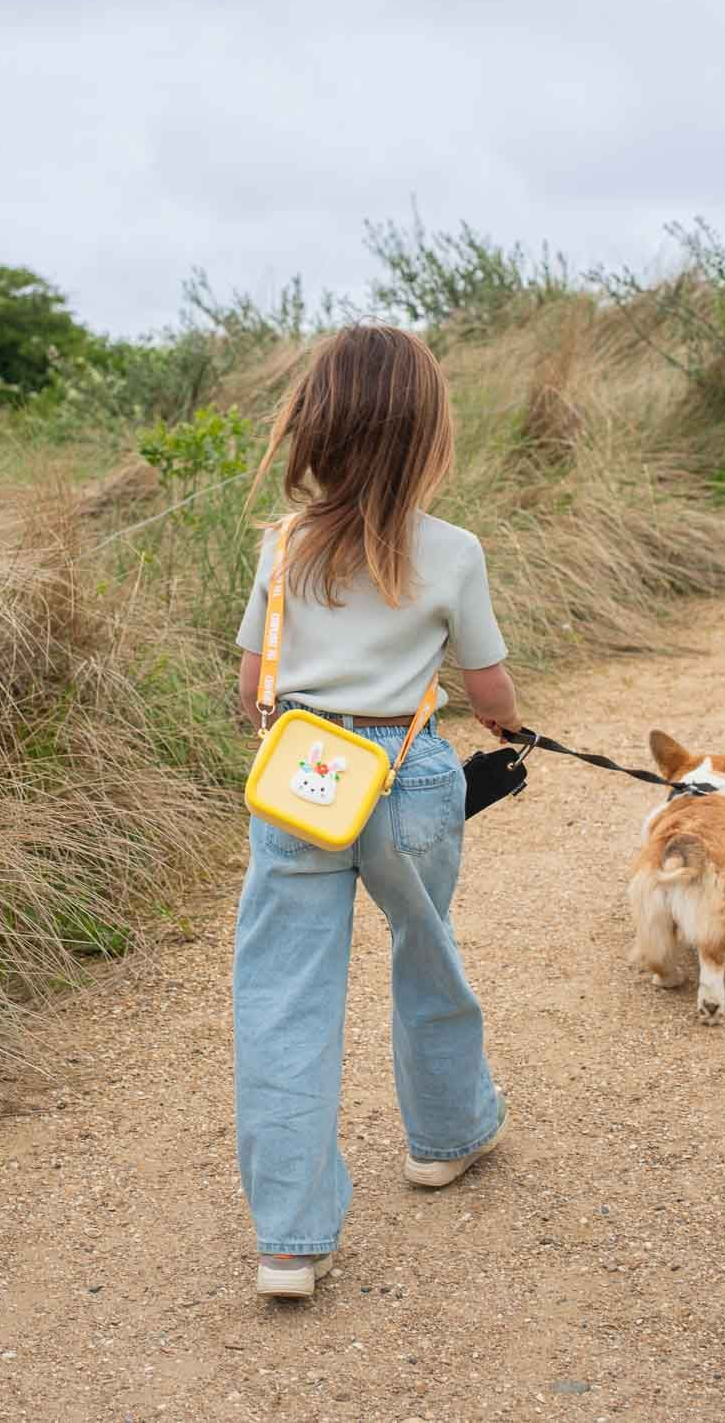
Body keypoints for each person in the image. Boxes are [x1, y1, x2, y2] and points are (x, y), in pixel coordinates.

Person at [233, 324, 521, 1299]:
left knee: (282, 996)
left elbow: (250, 688)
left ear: (315, 424)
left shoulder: (281, 547)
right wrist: (511, 731)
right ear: (426, 434)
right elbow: (486, 689)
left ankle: (289, 1240)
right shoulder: (451, 552)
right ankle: (443, 1139)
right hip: (407, 776)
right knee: (423, 948)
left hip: (300, 780)